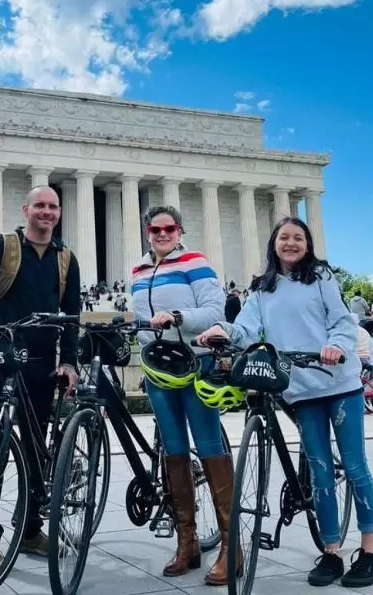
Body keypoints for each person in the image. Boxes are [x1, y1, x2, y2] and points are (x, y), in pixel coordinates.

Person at [196, 216, 373, 589]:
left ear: (308, 244)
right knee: (319, 473)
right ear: (274, 244)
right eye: (284, 237)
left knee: (354, 466)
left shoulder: (322, 278)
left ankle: (370, 550)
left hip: (339, 384)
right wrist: (224, 330)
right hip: (302, 390)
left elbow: (343, 322)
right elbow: (248, 328)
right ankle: (331, 552)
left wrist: (337, 347)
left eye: (299, 237)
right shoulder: (263, 289)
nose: (291, 243)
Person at [0, 185, 82, 576]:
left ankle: (29, 531)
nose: (46, 212)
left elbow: (71, 315)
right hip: (2, 360)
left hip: (41, 364)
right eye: (39, 205)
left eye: (53, 207)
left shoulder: (65, 259)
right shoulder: (4, 247)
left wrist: (70, 362)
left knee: (36, 453)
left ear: (59, 212)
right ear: (26, 209)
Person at [130, 205, 233, 585]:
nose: (161, 234)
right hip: (159, 369)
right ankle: (186, 543)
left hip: (195, 363)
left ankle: (230, 546)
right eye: (155, 229)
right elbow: (142, 317)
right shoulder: (139, 271)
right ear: (147, 232)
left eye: (168, 228)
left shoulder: (196, 262)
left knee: (208, 447)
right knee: (173, 451)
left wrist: (178, 316)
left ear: (179, 230)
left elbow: (214, 311)